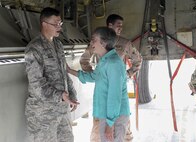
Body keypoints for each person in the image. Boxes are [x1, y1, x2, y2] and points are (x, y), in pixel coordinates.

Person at [80, 14, 142, 142]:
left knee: (123, 132)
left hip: (118, 89)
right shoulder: (98, 42)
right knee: (99, 131)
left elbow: (138, 59)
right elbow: (84, 59)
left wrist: (127, 74)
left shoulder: (125, 43)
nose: (120, 28)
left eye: (121, 26)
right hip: (104, 90)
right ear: (109, 26)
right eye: (118, 25)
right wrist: (96, 76)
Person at [24, 7, 79, 142]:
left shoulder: (58, 45)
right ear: (44, 24)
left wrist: (72, 94)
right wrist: (60, 95)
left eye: (60, 24)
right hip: (43, 115)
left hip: (61, 111)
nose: (59, 27)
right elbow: (37, 84)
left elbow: (64, 73)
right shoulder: (34, 49)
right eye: (56, 24)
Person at [68, 26, 130, 142]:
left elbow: (114, 96)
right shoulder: (105, 60)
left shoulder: (113, 63)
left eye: (94, 40)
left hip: (114, 117)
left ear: (103, 43)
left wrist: (110, 124)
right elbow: (93, 76)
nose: (91, 43)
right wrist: (69, 71)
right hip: (107, 116)